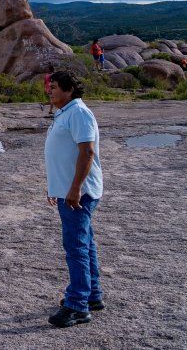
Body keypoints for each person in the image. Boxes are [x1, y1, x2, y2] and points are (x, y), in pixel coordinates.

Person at [44, 71, 104, 328]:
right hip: (67, 191)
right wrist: (55, 188)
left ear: (69, 90)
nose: (50, 91)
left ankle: (77, 305)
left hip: (78, 194)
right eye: (50, 87)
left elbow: (87, 151)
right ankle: (92, 296)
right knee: (85, 244)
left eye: (55, 87)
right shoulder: (65, 112)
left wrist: (74, 189)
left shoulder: (78, 113)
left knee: (76, 248)